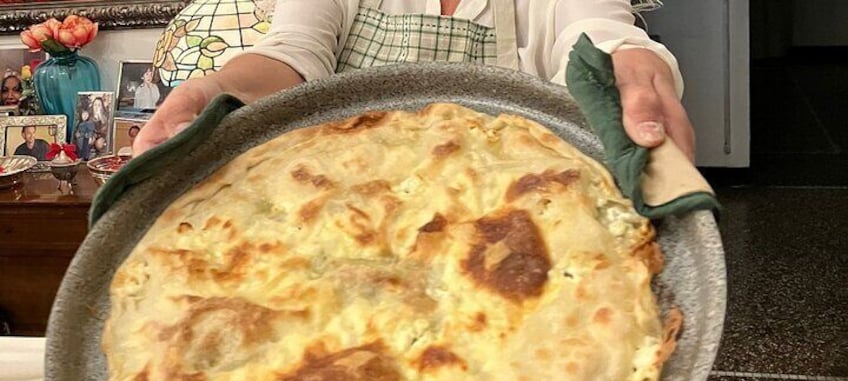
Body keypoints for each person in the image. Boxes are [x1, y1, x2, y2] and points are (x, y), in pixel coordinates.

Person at [135, 1, 694, 160]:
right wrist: (217, 91)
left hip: (511, 214)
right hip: (344, 206)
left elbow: (594, 29)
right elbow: (291, 55)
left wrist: (625, 61)